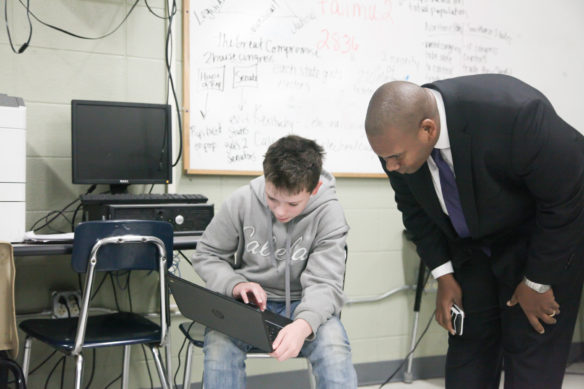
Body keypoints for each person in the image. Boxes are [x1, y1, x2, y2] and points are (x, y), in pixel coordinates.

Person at [364, 74, 584, 389]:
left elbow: (566, 198)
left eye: (395, 157)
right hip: (474, 248)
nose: (391, 167)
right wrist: (444, 275)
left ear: (428, 129)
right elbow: (415, 213)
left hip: (540, 241)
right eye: (383, 159)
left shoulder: (515, 113)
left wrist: (537, 282)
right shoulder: (396, 145)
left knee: (532, 355)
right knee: (468, 352)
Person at [192, 135, 358, 389]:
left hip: (305, 305)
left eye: (292, 203)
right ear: (266, 180)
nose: (280, 211)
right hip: (247, 307)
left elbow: (326, 283)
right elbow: (207, 254)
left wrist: (303, 325)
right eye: (272, 199)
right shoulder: (242, 201)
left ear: (313, 190)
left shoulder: (329, 213)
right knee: (218, 346)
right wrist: (235, 285)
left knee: (334, 347)